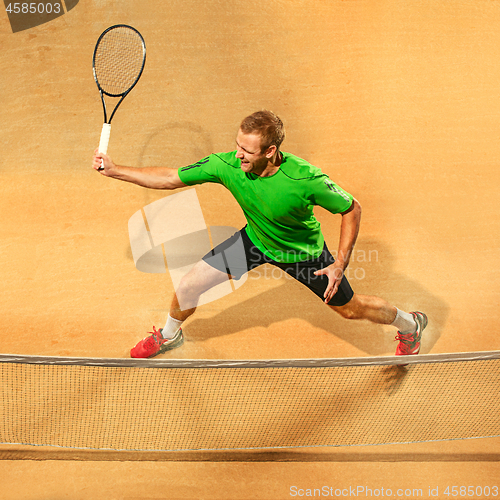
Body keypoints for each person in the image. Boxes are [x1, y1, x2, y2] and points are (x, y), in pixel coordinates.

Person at [92, 110, 427, 359]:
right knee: (190, 285)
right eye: (237, 146)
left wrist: (339, 262)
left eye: (247, 151)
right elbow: (169, 177)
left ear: (270, 151)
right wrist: (115, 169)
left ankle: (410, 325)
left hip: (304, 256)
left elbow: (351, 208)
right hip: (255, 242)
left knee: (350, 309)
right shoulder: (227, 165)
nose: (238, 155)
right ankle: (169, 334)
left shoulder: (304, 179)